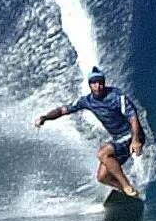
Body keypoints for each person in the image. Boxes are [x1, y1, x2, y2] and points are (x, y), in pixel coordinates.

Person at [33, 67, 145, 197]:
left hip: (132, 135)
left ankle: (127, 186)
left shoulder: (116, 96)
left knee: (103, 153)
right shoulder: (87, 101)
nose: (98, 86)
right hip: (118, 139)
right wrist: (45, 118)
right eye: (94, 83)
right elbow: (62, 110)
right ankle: (131, 193)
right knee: (102, 177)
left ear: (104, 82)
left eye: (100, 82)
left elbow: (133, 116)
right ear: (90, 84)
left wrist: (136, 140)